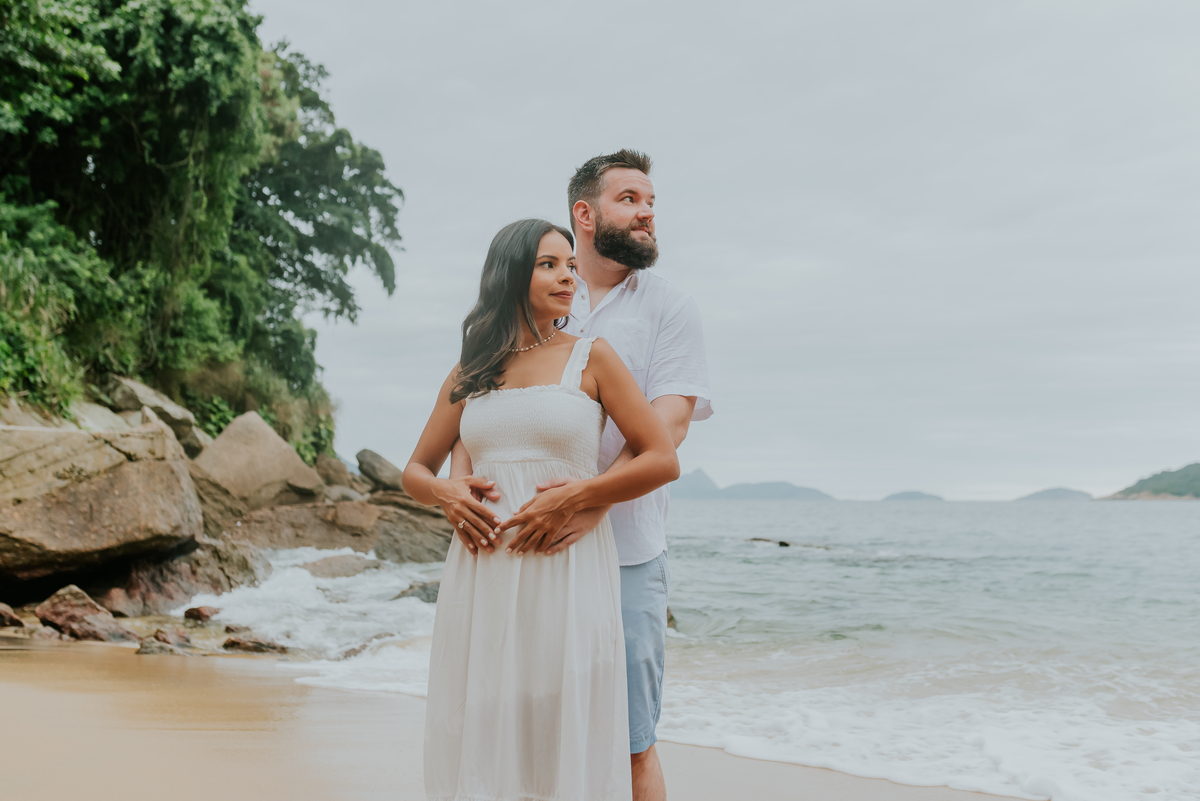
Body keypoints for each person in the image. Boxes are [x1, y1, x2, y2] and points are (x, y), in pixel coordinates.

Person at [440, 151, 713, 801]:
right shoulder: (543, 298)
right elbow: (482, 412)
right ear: (584, 214)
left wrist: (588, 503)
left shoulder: (670, 308)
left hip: (626, 551)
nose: (647, 211)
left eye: (652, 201)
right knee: (526, 731)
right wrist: (458, 487)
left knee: (628, 740)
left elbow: (668, 428)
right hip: (520, 558)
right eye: (630, 199)